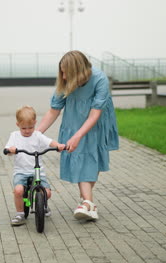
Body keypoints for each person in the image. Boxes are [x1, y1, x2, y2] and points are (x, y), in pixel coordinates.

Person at [37, 50, 119, 221]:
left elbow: (95, 114)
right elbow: (53, 111)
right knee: (82, 160)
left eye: (66, 72)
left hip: (95, 125)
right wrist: (36, 135)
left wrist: (78, 135)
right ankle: (88, 203)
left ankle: (87, 202)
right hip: (73, 122)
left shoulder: (100, 79)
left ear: (78, 71)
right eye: (62, 72)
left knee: (92, 160)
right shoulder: (64, 83)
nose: (64, 76)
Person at [4, 105, 66, 226]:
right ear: (18, 125)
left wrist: (58, 145)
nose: (27, 131)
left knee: (47, 193)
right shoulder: (14, 135)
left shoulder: (37, 135)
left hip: (37, 171)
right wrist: (10, 150)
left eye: (30, 127)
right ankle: (20, 214)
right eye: (24, 128)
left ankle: (42, 204)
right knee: (18, 191)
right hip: (21, 171)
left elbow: (49, 142)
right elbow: (7, 149)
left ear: (35, 123)